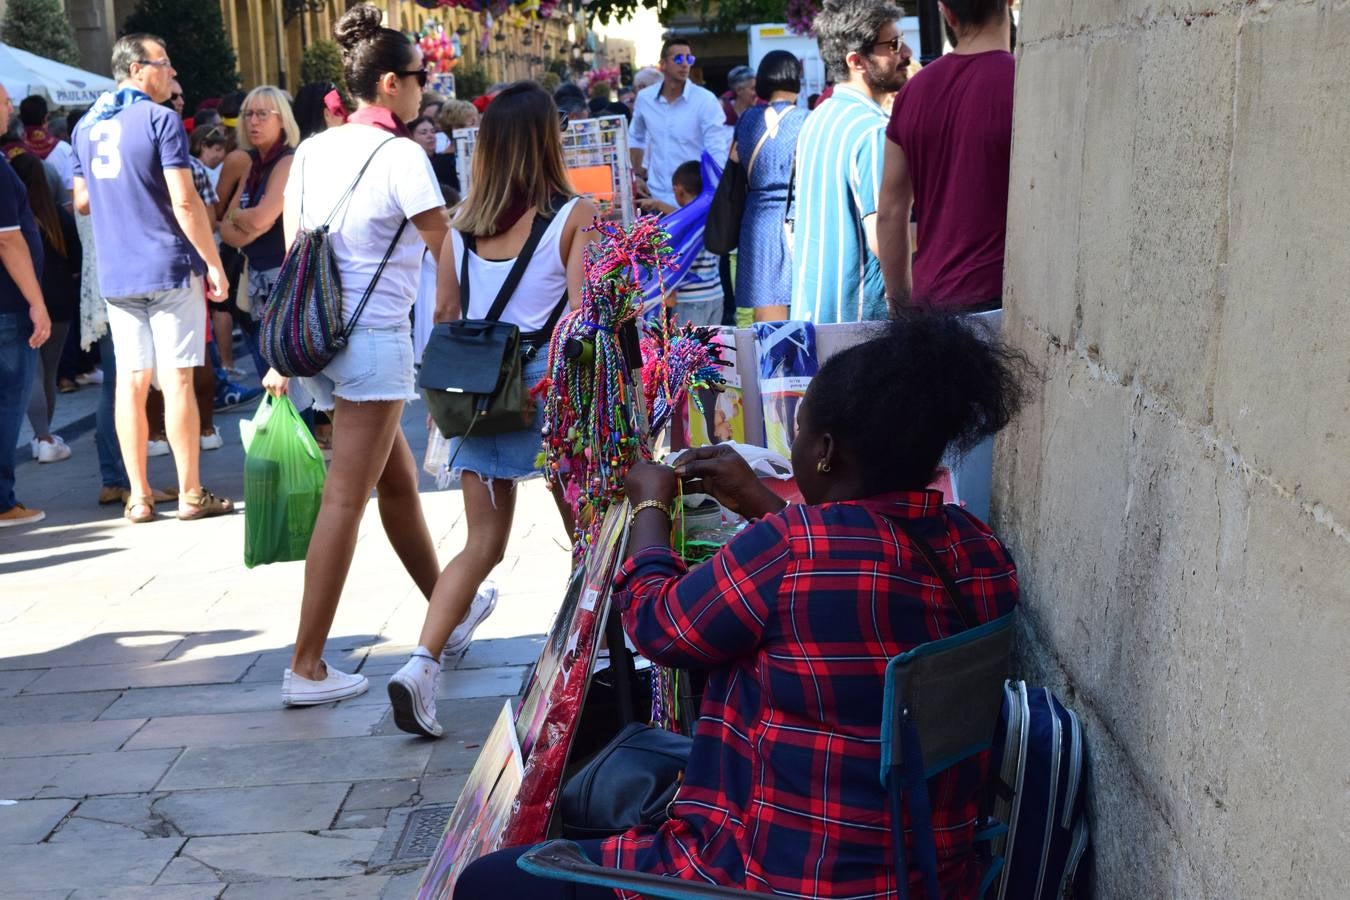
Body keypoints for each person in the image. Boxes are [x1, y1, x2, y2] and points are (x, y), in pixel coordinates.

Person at [455, 313, 1027, 898]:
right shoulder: (981, 550)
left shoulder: (793, 549)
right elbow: (857, 571)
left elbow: (657, 625)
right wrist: (760, 502)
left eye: (800, 431)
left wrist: (651, 507)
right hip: (920, 872)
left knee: (491, 882)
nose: (797, 444)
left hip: (775, 877)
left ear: (825, 451)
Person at [386, 82, 598, 739]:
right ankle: (576, 669)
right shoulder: (574, 215)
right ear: (546, 140)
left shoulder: (457, 227)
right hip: (543, 385)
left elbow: (445, 317)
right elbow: (584, 318)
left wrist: (436, 403)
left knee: (481, 542)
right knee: (588, 538)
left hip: (475, 384)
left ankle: (422, 664)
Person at [264, 3, 450, 707]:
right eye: (419, 75)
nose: (423, 86)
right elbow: (444, 248)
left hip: (319, 341)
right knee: (347, 496)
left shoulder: (312, 149)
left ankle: (448, 613)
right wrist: (450, 326)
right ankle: (306, 665)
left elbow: (293, 251)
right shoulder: (403, 155)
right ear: (392, 84)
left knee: (394, 482)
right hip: (372, 342)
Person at [71, 33, 233, 525]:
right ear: (138, 69)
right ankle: (189, 492)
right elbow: (185, 201)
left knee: (132, 383)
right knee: (178, 379)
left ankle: (138, 495)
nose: (172, 74)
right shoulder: (160, 119)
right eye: (165, 64)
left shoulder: (86, 127)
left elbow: (80, 200)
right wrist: (214, 262)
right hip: (166, 263)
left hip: (118, 271)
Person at [879, 0, 1015, 312]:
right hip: (999, 302)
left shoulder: (913, 92)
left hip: (930, 304)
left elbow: (890, 211)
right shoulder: (1022, 83)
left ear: (947, 13)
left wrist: (901, 307)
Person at [790, 0, 912, 324]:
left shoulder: (819, 118)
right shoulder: (872, 131)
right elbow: (883, 238)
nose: (907, 53)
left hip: (813, 324)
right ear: (856, 60)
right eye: (894, 45)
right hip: (859, 328)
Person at [219, 85, 299, 386]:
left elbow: (260, 217)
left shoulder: (288, 160)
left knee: (287, 385)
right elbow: (227, 229)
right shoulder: (250, 163)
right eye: (248, 114)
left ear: (282, 119)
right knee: (269, 380)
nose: (253, 121)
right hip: (252, 285)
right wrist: (247, 221)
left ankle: (300, 434)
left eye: (262, 114)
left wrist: (243, 218)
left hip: (281, 284)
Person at [0, 83, 51, 528]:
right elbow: (8, 238)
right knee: (6, 404)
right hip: (7, 306)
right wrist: (37, 302)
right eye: (2, 101)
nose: (10, 108)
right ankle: (2, 500)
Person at [11, 153, 78, 464]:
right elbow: (78, 259)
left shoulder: (15, 217)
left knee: (33, 373)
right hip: (60, 300)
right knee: (48, 372)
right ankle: (46, 435)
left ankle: (42, 437)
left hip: (26, 299)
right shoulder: (57, 217)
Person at [732, 50, 807, 322]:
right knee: (803, 310)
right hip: (797, 219)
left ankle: (771, 365)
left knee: (766, 319)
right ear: (795, 77)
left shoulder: (747, 120)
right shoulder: (807, 119)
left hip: (756, 221)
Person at [629, 39, 729, 207]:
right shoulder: (645, 98)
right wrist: (636, 176)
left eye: (689, 59)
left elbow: (716, 149)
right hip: (656, 196)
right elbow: (636, 137)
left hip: (694, 197)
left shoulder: (705, 100)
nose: (684, 64)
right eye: (678, 58)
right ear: (663, 64)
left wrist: (715, 193)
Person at [638, 160, 722, 328]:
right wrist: (658, 204)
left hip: (691, 300)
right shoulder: (711, 215)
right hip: (716, 295)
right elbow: (684, 217)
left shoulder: (685, 228)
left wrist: (668, 293)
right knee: (712, 350)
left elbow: (676, 264)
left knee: (688, 351)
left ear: (678, 189)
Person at [19, 95, 76, 206]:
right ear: (46, 118)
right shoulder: (64, 149)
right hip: (57, 217)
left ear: (20, 118)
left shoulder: (10, 152)